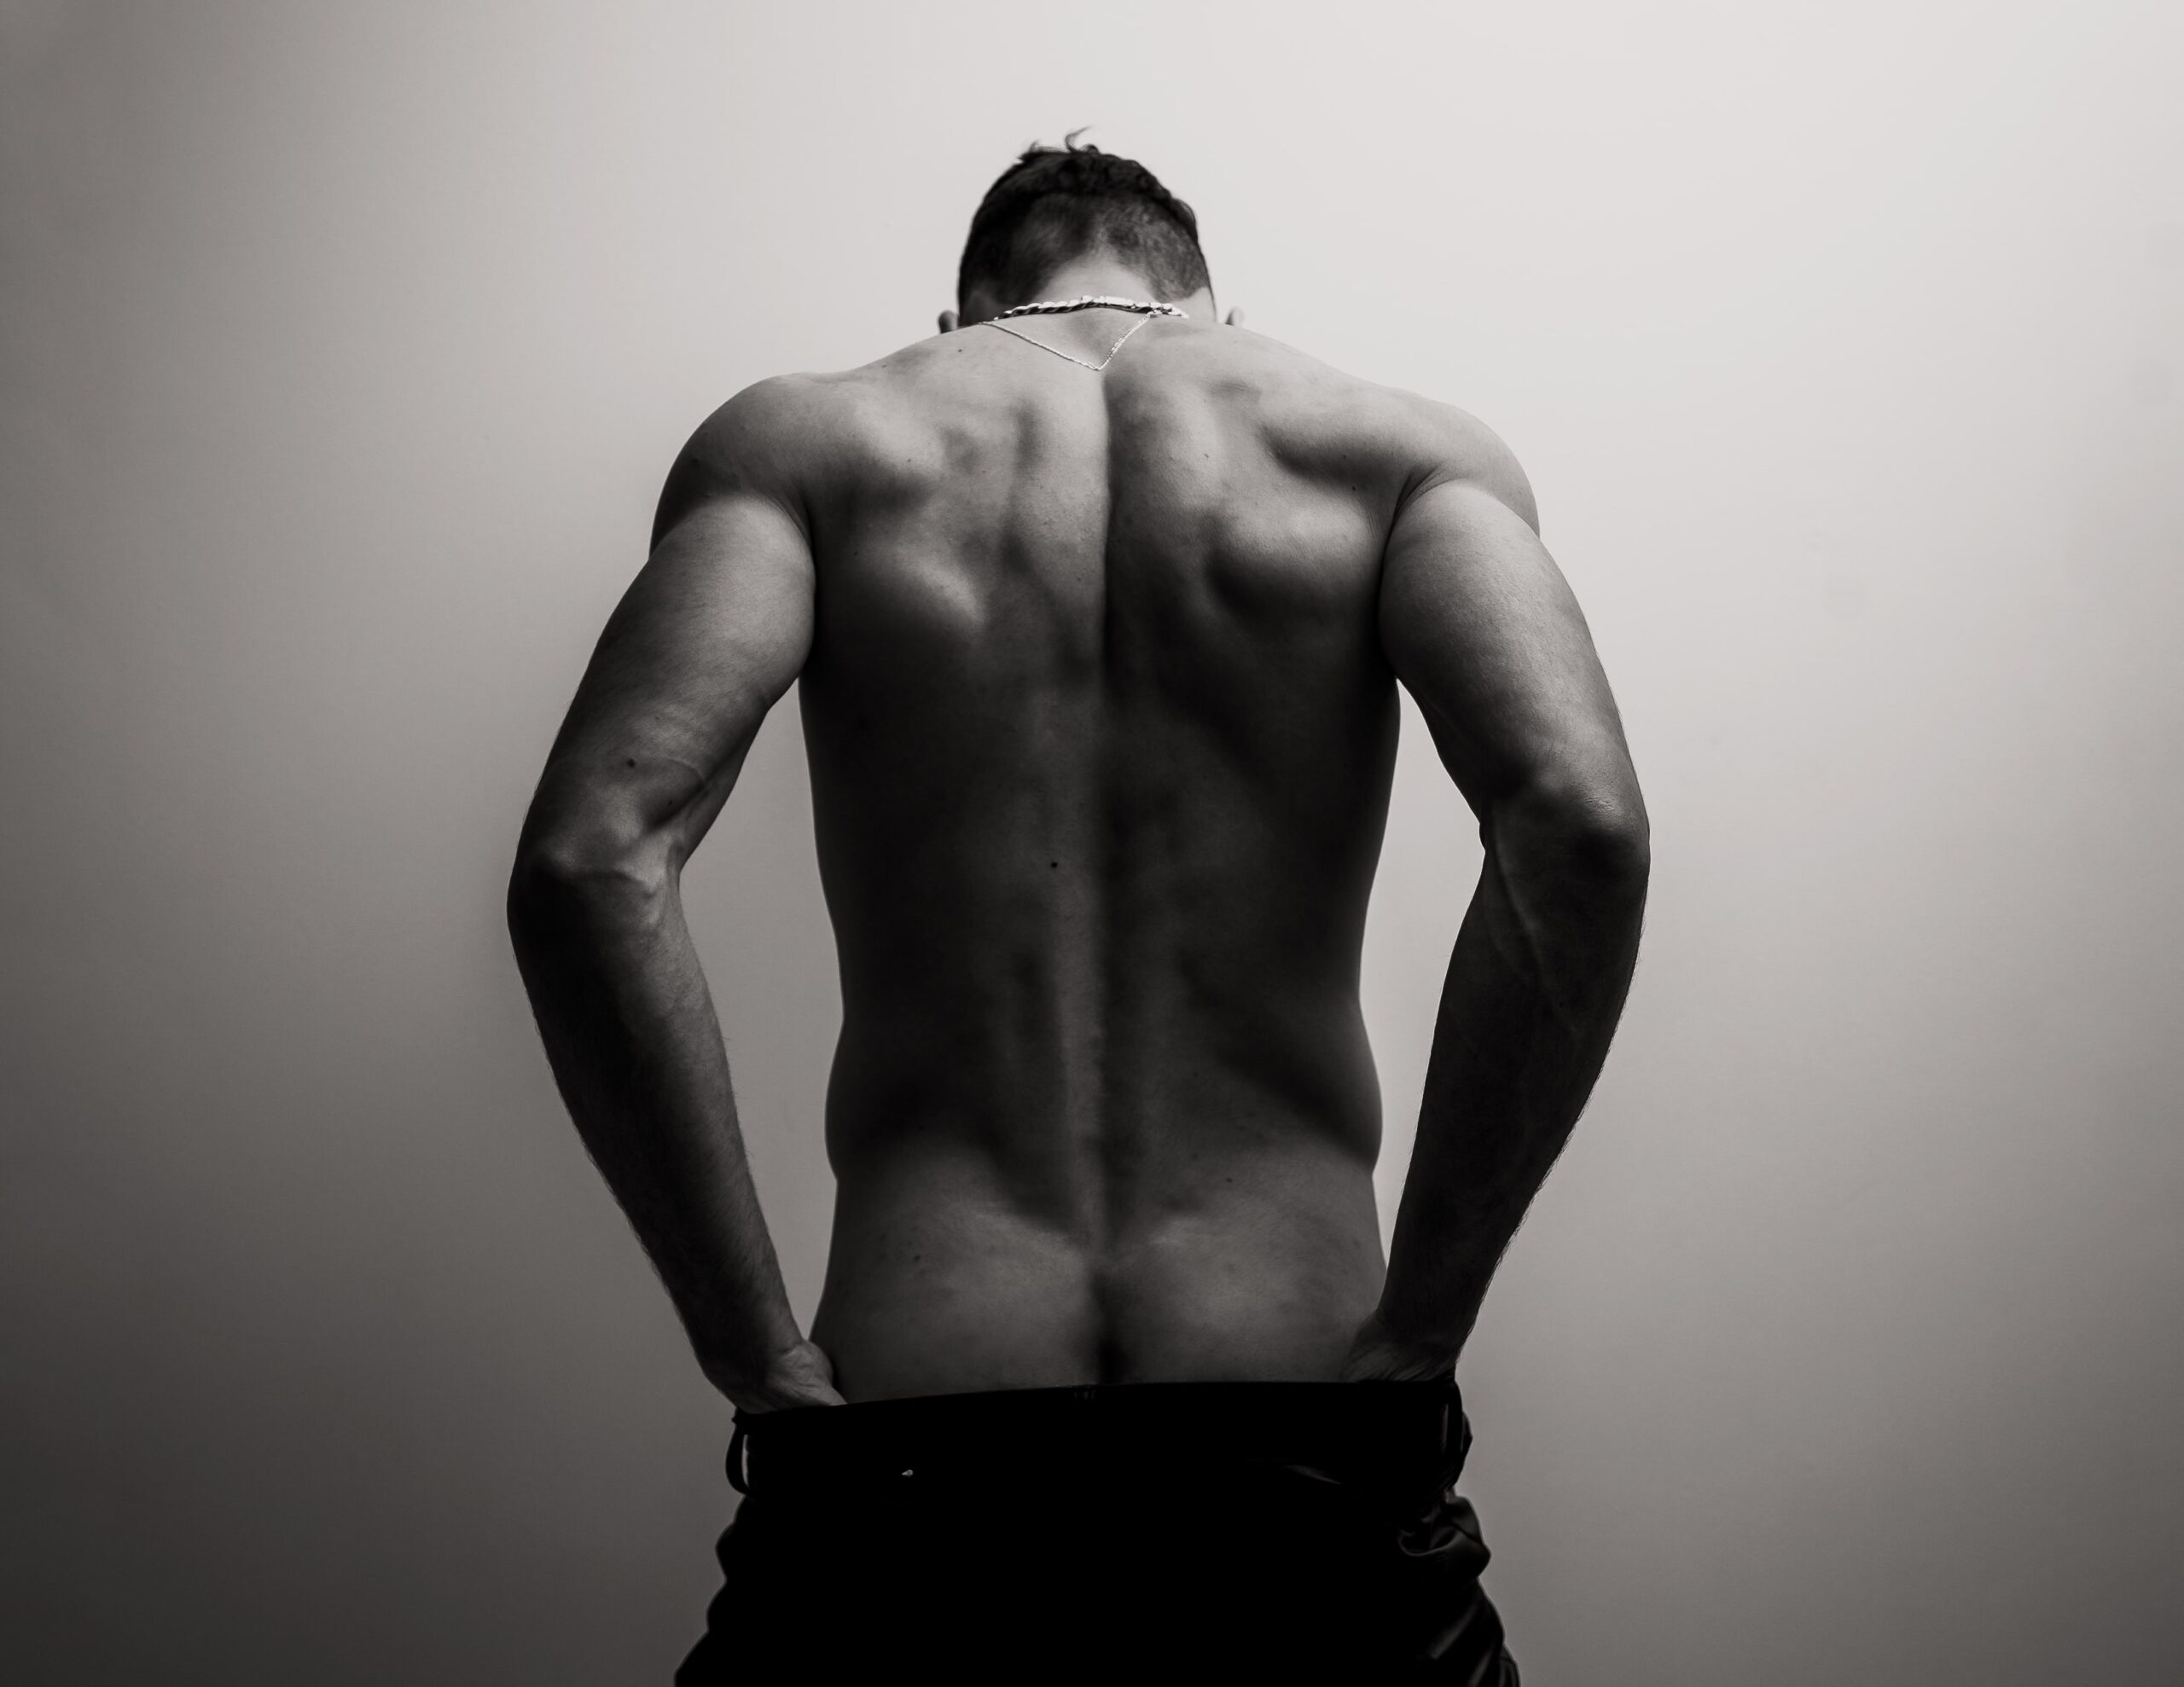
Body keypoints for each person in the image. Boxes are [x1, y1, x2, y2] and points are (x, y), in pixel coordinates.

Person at [508, 137, 1648, 1678]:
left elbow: (590, 857)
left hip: (913, 1435)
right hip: (1305, 1415)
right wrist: (1423, 1329)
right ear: (1220, 307)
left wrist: (752, 1352)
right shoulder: (1397, 455)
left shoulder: (810, 448)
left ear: (965, 311)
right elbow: (1581, 827)